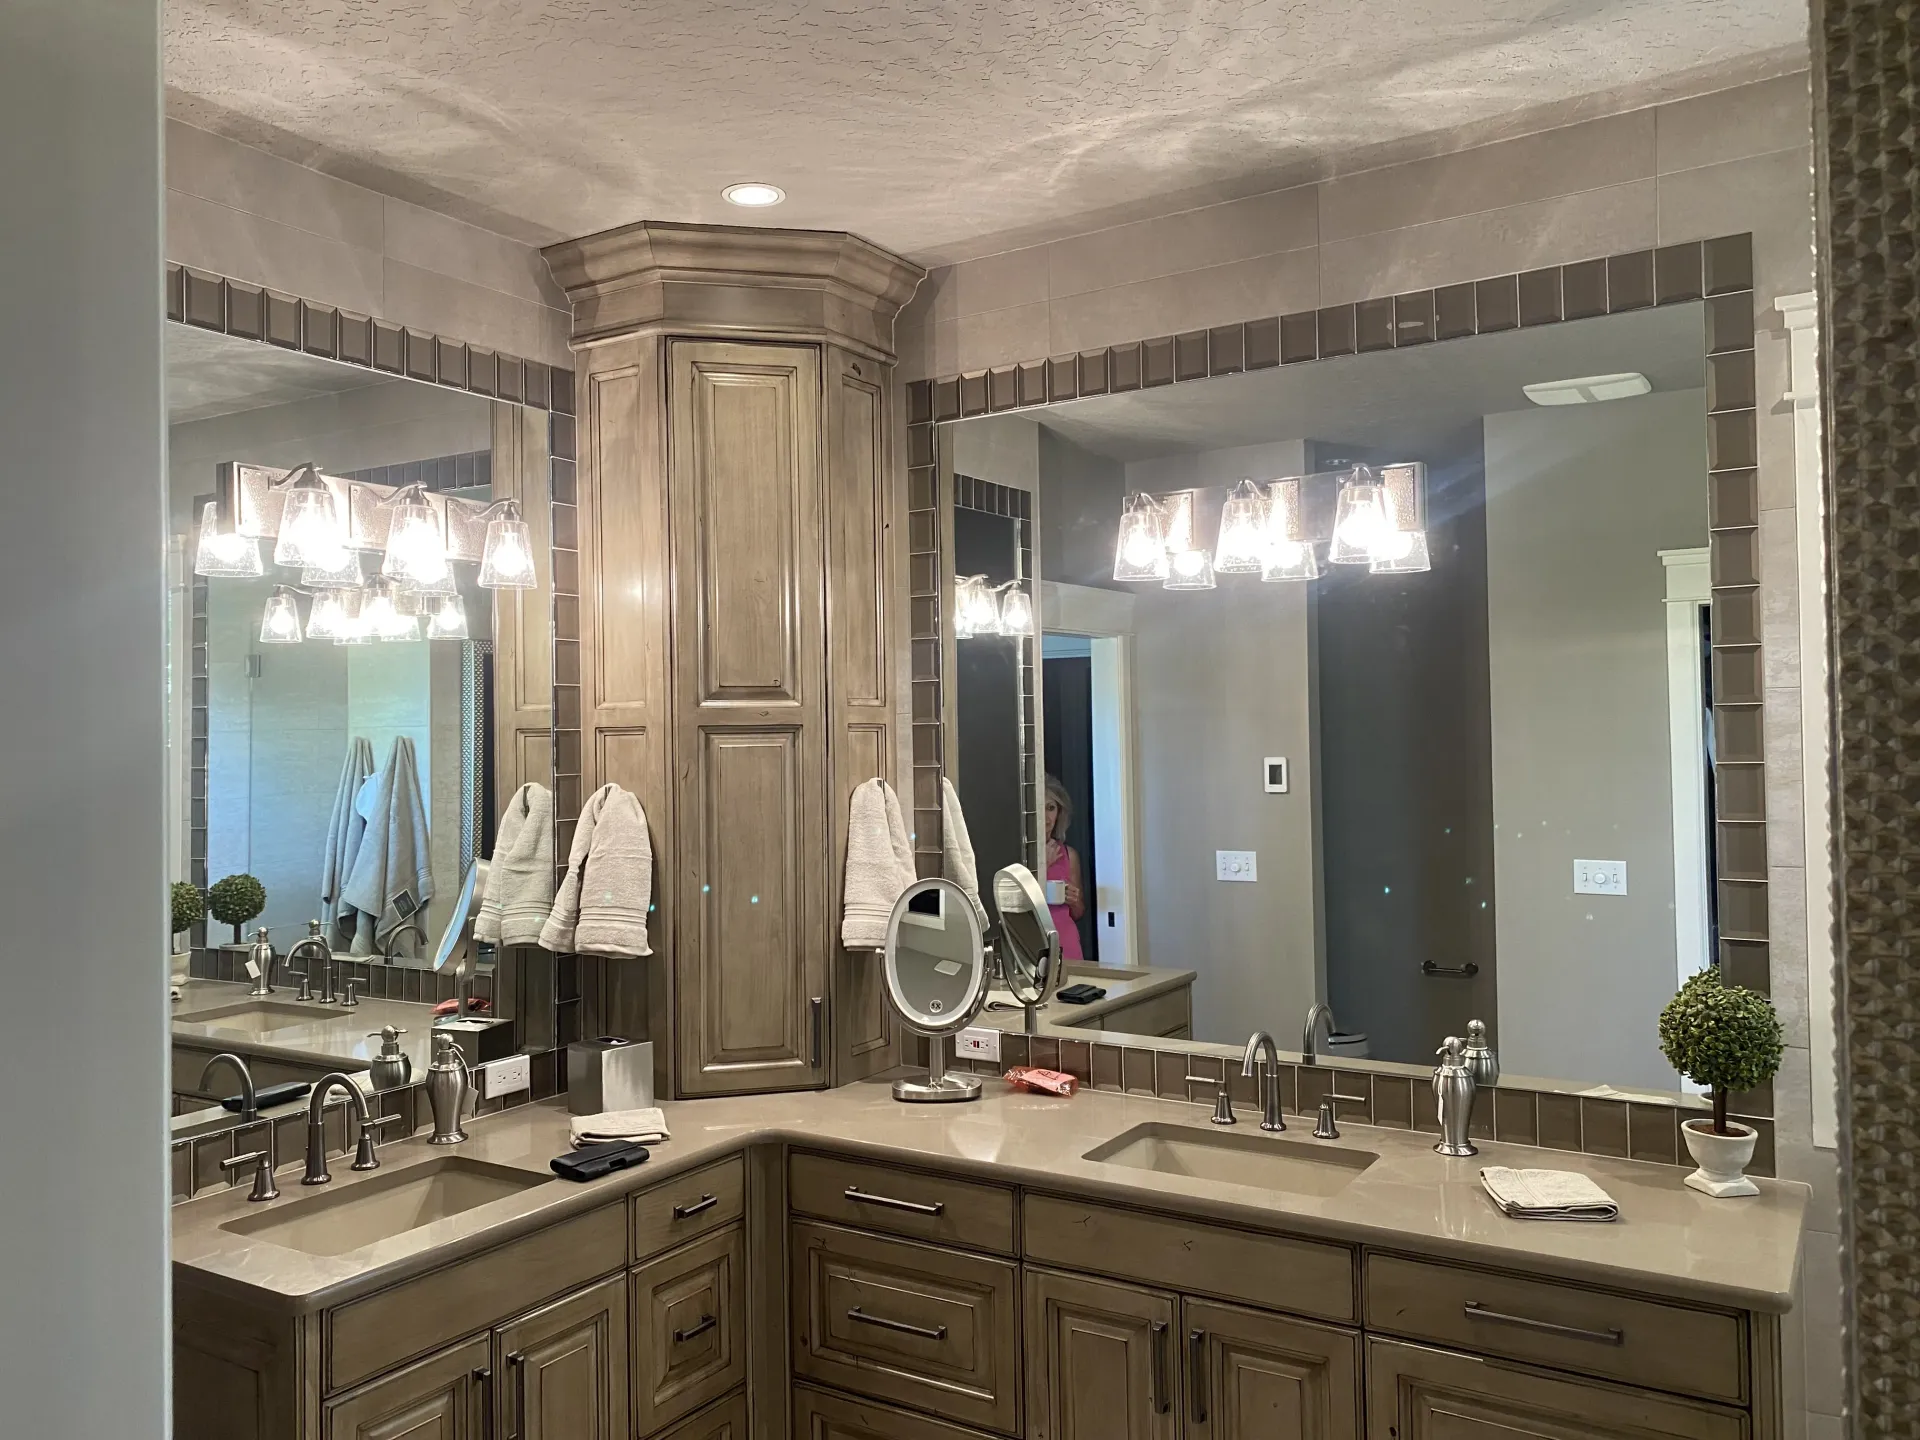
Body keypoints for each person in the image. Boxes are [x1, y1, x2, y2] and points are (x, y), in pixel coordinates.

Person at [1044, 776, 1086, 960]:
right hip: (1035, 945)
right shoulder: (1017, 854)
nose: (1046, 818)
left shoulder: (1069, 855)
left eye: (1051, 808)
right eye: (1039, 806)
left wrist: (1074, 900)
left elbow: (1077, 912)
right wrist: (1043, 865)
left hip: (1067, 943)